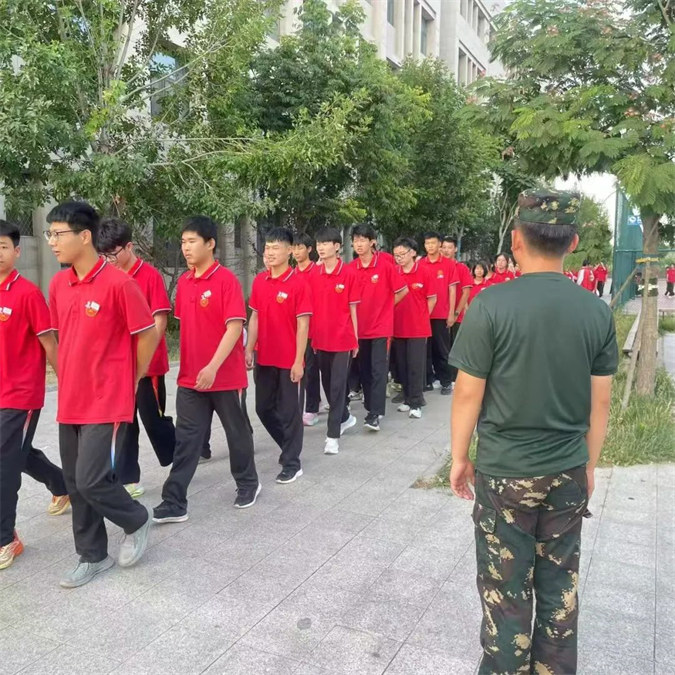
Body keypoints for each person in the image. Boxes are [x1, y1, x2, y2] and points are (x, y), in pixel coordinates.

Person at [449, 190, 617, 675]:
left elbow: (467, 394)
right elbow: (600, 403)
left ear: (516, 240)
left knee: (506, 591)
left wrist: (460, 457)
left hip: (505, 472)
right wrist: (588, 466)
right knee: (560, 588)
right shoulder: (595, 311)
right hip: (566, 470)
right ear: (574, 242)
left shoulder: (489, 305)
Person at [47, 201, 157, 587]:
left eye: (58, 234)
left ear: (84, 236)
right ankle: (93, 555)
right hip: (71, 399)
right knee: (75, 483)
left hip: (107, 399)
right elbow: (62, 337)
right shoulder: (58, 284)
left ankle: (136, 519)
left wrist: (132, 377)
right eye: (49, 234)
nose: (52, 242)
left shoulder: (118, 284)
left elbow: (147, 334)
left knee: (92, 479)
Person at [153, 217, 260, 520]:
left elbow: (234, 327)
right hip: (191, 379)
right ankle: (174, 501)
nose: (185, 248)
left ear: (210, 243)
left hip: (224, 377)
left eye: (192, 242)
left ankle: (248, 483)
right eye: (183, 242)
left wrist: (213, 366)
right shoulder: (185, 282)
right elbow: (189, 328)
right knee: (187, 439)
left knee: (236, 433)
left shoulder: (226, 281)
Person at [0, 221, 70, 570]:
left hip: (21, 395)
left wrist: (67, 383)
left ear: (16, 251)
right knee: (16, 452)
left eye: (2, 247)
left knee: (4, 463)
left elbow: (49, 343)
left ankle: (6, 538)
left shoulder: (27, 294)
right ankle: (62, 483)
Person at [96, 218, 175, 498]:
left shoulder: (149, 276)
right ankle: (129, 478)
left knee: (153, 419)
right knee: (125, 422)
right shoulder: (105, 277)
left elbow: (159, 320)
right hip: (120, 365)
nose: (108, 260)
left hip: (148, 365)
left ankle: (181, 453)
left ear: (129, 247)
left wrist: (144, 359)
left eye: (112, 254)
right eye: (103, 255)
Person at [246, 227, 311, 483]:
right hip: (265, 357)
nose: (270, 252)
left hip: (288, 360)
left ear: (289, 251)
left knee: (289, 412)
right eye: (267, 247)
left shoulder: (298, 283)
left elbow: (303, 325)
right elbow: (255, 317)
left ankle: (292, 462)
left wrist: (298, 361)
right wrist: (249, 348)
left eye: (276, 247)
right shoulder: (260, 281)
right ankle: (288, 446)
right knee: (262, 408)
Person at [350, 224, 407, 431]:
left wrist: (386, 308)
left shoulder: (385, 266)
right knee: (364, 370)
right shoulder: (351, 268)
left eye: (362, 240)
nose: (358, 244)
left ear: (372, 242)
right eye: (355, 240)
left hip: (381, 328)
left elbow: (402, 290)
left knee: (378, 370)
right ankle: (370, 406)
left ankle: (374, 414)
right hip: (359, 329)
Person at [309, 226, 359, 455]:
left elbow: (353, 309)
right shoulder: (313, 275)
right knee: (328, 384)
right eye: (318, 244)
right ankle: (345, 417)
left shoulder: (348, 274)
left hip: (343, 339)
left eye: (325, 243)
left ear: (337, 246)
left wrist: (355, 339)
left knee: (338, 386)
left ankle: (332, 436)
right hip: (320, 339)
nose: (321, 247)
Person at [392, 237, 437, 419]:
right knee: (401, 365)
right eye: (396, 255)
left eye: (402, 254)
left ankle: (416, 403)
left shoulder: (424, 272)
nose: (399, 258)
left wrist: (423, 317)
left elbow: (432, 299)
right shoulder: (394, 272)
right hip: (398, 326)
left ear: (412, 252)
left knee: (415, 365)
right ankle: (407, 398)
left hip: (418, 328)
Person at [420, 232, 457, 396]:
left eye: (433, 243)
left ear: (439, 244)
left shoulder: (448, 264)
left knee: (442, 350)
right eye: (427, 243)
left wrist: (451, 313)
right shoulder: (420, 264)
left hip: (441, 313)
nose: (430, 246)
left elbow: (452, 290)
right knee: (425, 349)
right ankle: (428, 379)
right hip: (423, 314)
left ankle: (446, 381)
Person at [293, 232, 322, 426]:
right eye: (294, 248)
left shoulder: (318, 272)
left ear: (309, 249)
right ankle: (313, 402)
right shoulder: (292, 273)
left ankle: (312, 409)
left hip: (315, 328)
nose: (296, 252)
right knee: (303, 368)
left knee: (312, 369)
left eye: (300, 247)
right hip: (297, 330)